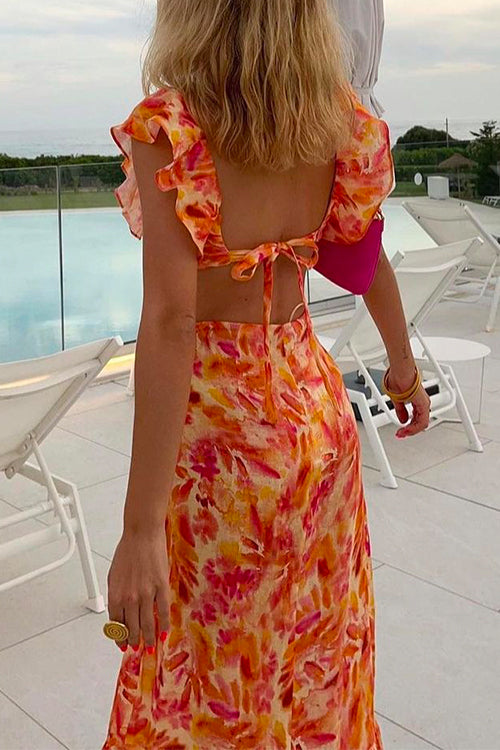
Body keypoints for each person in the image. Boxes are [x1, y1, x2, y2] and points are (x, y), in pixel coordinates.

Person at [101, 1, 430, 748]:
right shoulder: (338, 121)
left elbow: (172, 322)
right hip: (318, 424)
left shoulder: (172, 128)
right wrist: (404, 372)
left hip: (224, 451)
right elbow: (364, 258)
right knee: (312, 657)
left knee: (208, 678)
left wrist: (140, 529)